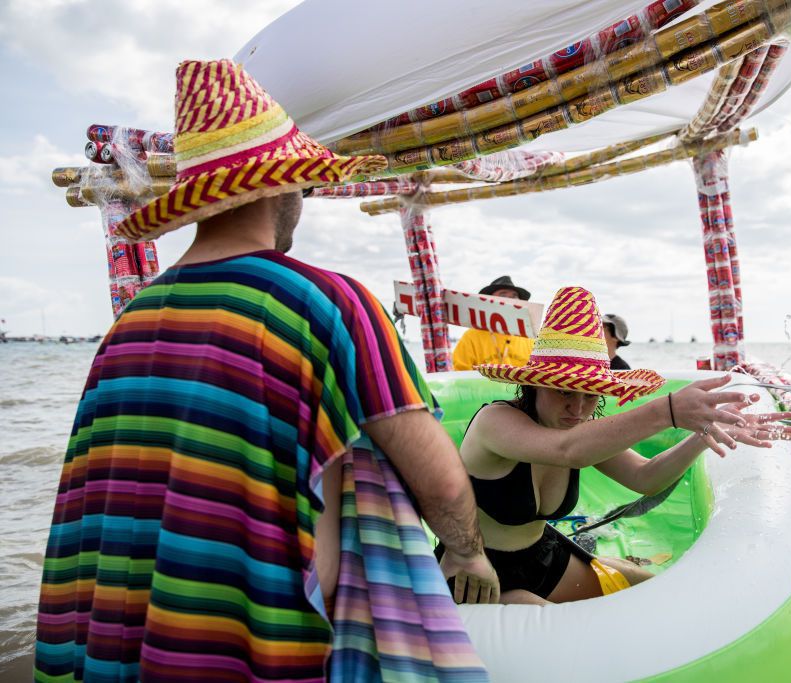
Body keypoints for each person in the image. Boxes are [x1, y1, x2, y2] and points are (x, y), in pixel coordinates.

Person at [34, 59, 495, 683]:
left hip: (140, 648)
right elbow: (437, 479)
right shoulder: (326, 303)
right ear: (283, 188)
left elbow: (94, 511)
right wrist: (469, 554)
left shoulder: (128, 325)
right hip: (263, 652)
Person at [435, 286, 791, 605]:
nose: (577, 408)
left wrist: (704, 434)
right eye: (564, 391)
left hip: (543, 556)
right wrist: (668, 410)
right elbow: (568, 451)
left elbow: (645, 477)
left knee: (656, 591)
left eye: (590, 396)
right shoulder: (495, 423)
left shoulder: (582, 431)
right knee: (553, 626)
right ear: (533, 384)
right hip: (476, 571)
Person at [452, 275, 535, 370]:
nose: (510, 300)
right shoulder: (471, 336)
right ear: (488, 302)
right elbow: (460, 375)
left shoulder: (529, 338)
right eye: (503, 295)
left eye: (514, 296)